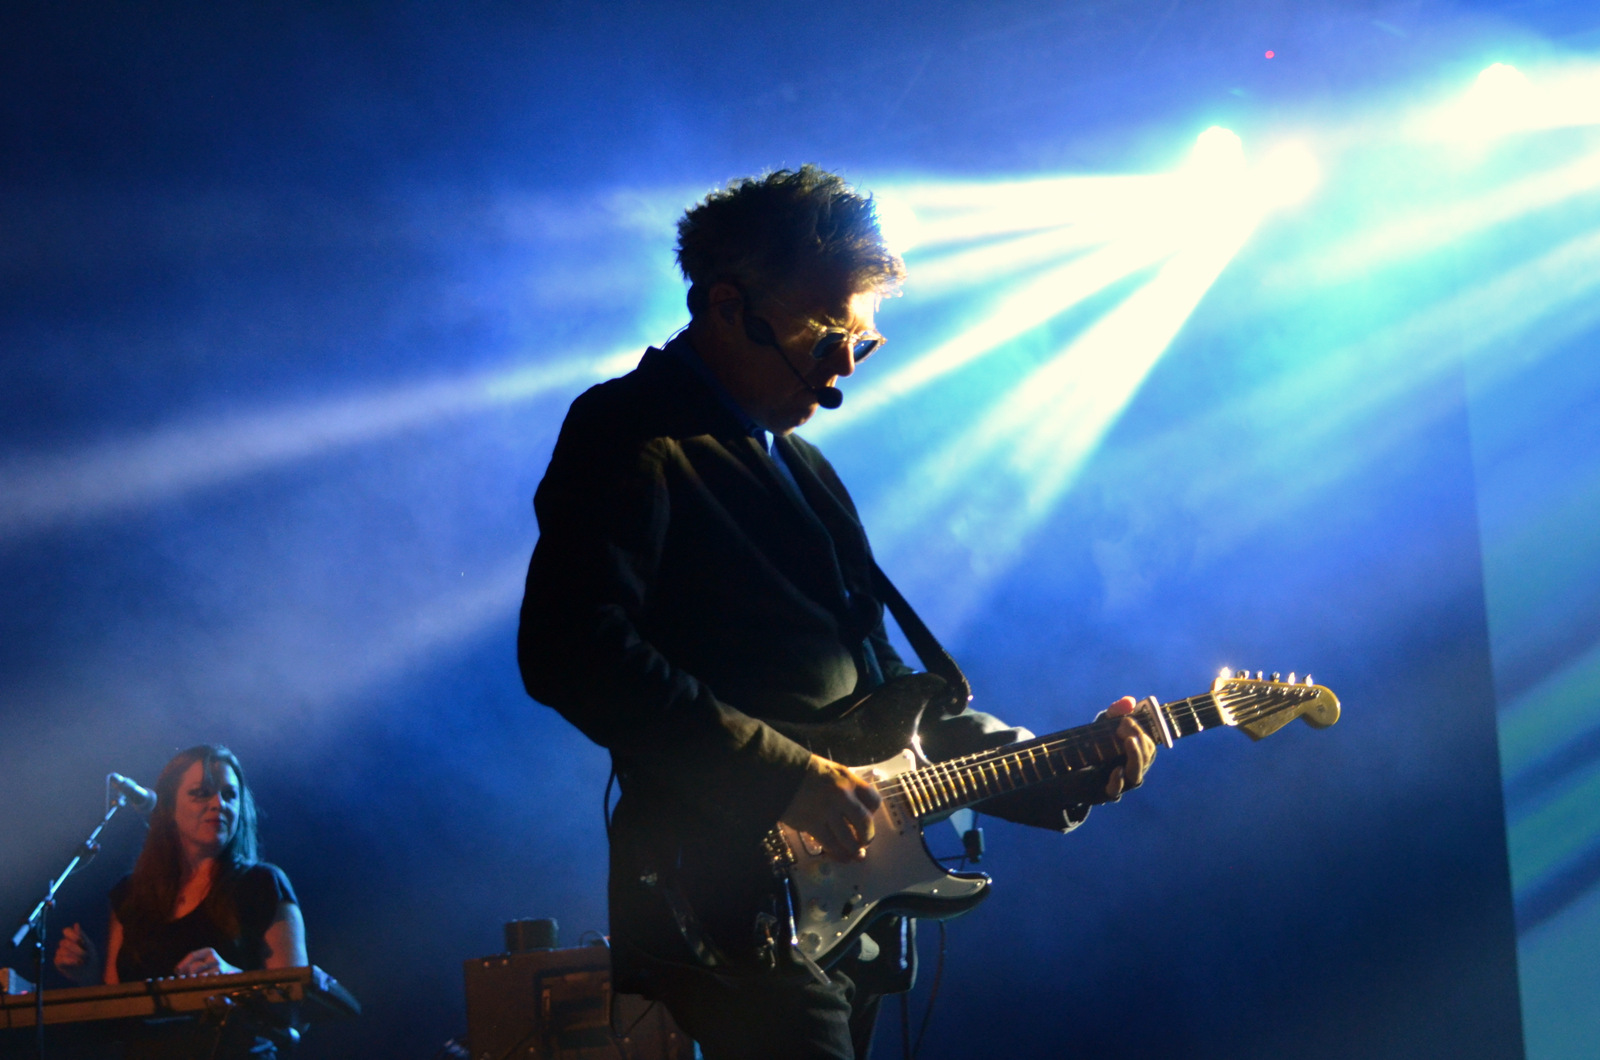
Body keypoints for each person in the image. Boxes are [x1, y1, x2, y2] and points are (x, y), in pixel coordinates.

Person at [518, 165, 1156, 1059]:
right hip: (717, 890)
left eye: (863, 341)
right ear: (728, 305)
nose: (843, 374)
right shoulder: (630, 430)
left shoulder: (808, 474)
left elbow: (896, 699)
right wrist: (788, 776)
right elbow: (571, 649)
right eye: (826, 336)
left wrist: (1063, 766)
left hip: (840, 909)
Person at [53, 744, 306, 1057]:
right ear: (168, 807)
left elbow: (296, 1005)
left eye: (229, 795)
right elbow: (117, 1009)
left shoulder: (263, 884)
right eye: (202, 793)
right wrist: (87, 975)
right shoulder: (132, 896)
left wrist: (233, 979)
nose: (218, 804)